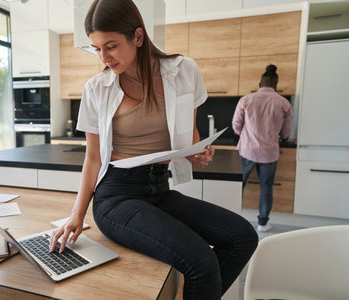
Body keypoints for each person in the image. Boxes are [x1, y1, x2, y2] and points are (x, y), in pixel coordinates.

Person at [50, 0, 258, 298]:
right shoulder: (96, 89)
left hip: (159, 190)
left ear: (137, 37)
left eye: (110, 46)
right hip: (117, 196)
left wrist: (198, 153)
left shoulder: (184, 71)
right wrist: (76, 214)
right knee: (201, 262)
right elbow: (93, 158)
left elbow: (189, 138)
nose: (103, 57)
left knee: (242, 237)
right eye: (96, 48)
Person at [232, 64, 292, 233]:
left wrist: (243, 134)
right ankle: (263, 224)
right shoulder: (284, 103)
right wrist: (281, 137)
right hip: (269, 154)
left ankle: (232, 220)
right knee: (266, 188)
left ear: (260, 84)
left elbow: (236, 125)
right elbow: (286, 132)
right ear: (276, 85)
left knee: (238, 186)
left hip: (247, 151)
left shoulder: (246, 99)